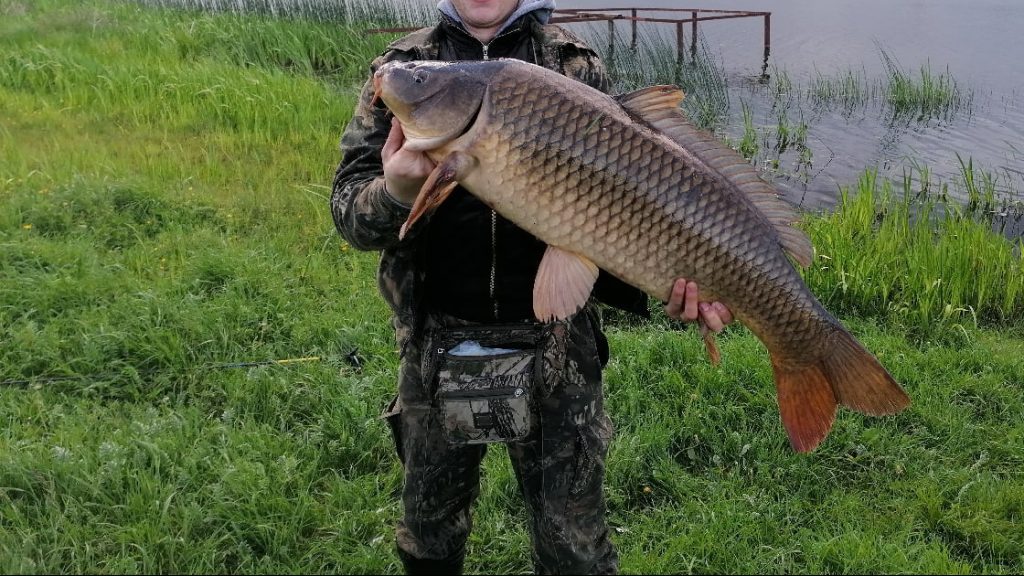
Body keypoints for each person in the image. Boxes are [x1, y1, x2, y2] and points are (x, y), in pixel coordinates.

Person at [330, 1, 733, 573]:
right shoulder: (404, 67)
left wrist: (680, 279)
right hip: (435, 337)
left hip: (557, 344)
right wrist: (395, 189)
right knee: (429, 537)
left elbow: (630, 206)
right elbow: (349, 213)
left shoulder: (573, 66)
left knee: (574, 548)